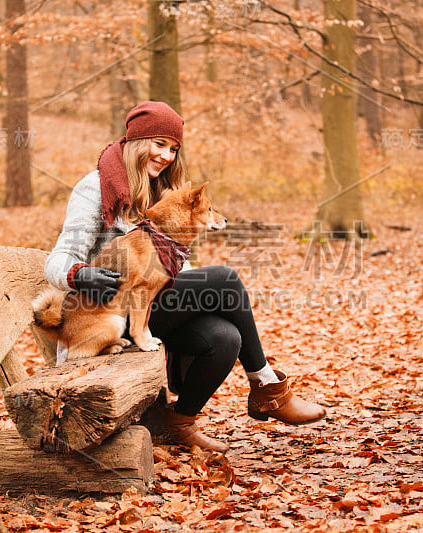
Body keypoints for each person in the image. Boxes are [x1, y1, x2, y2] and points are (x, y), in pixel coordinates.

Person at [44, 101, 326, 453]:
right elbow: (58, 259)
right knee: (225, 278)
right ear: (135, 141)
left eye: (173, 148)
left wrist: (195, 294)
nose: (165, 155)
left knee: (225, 337)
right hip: (108, 313)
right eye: (158, 143)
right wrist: (79, 274)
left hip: (153, 309)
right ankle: (267, 386)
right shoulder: (96, 188)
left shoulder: (165, 191)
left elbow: (174, 265)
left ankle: (180, 422)